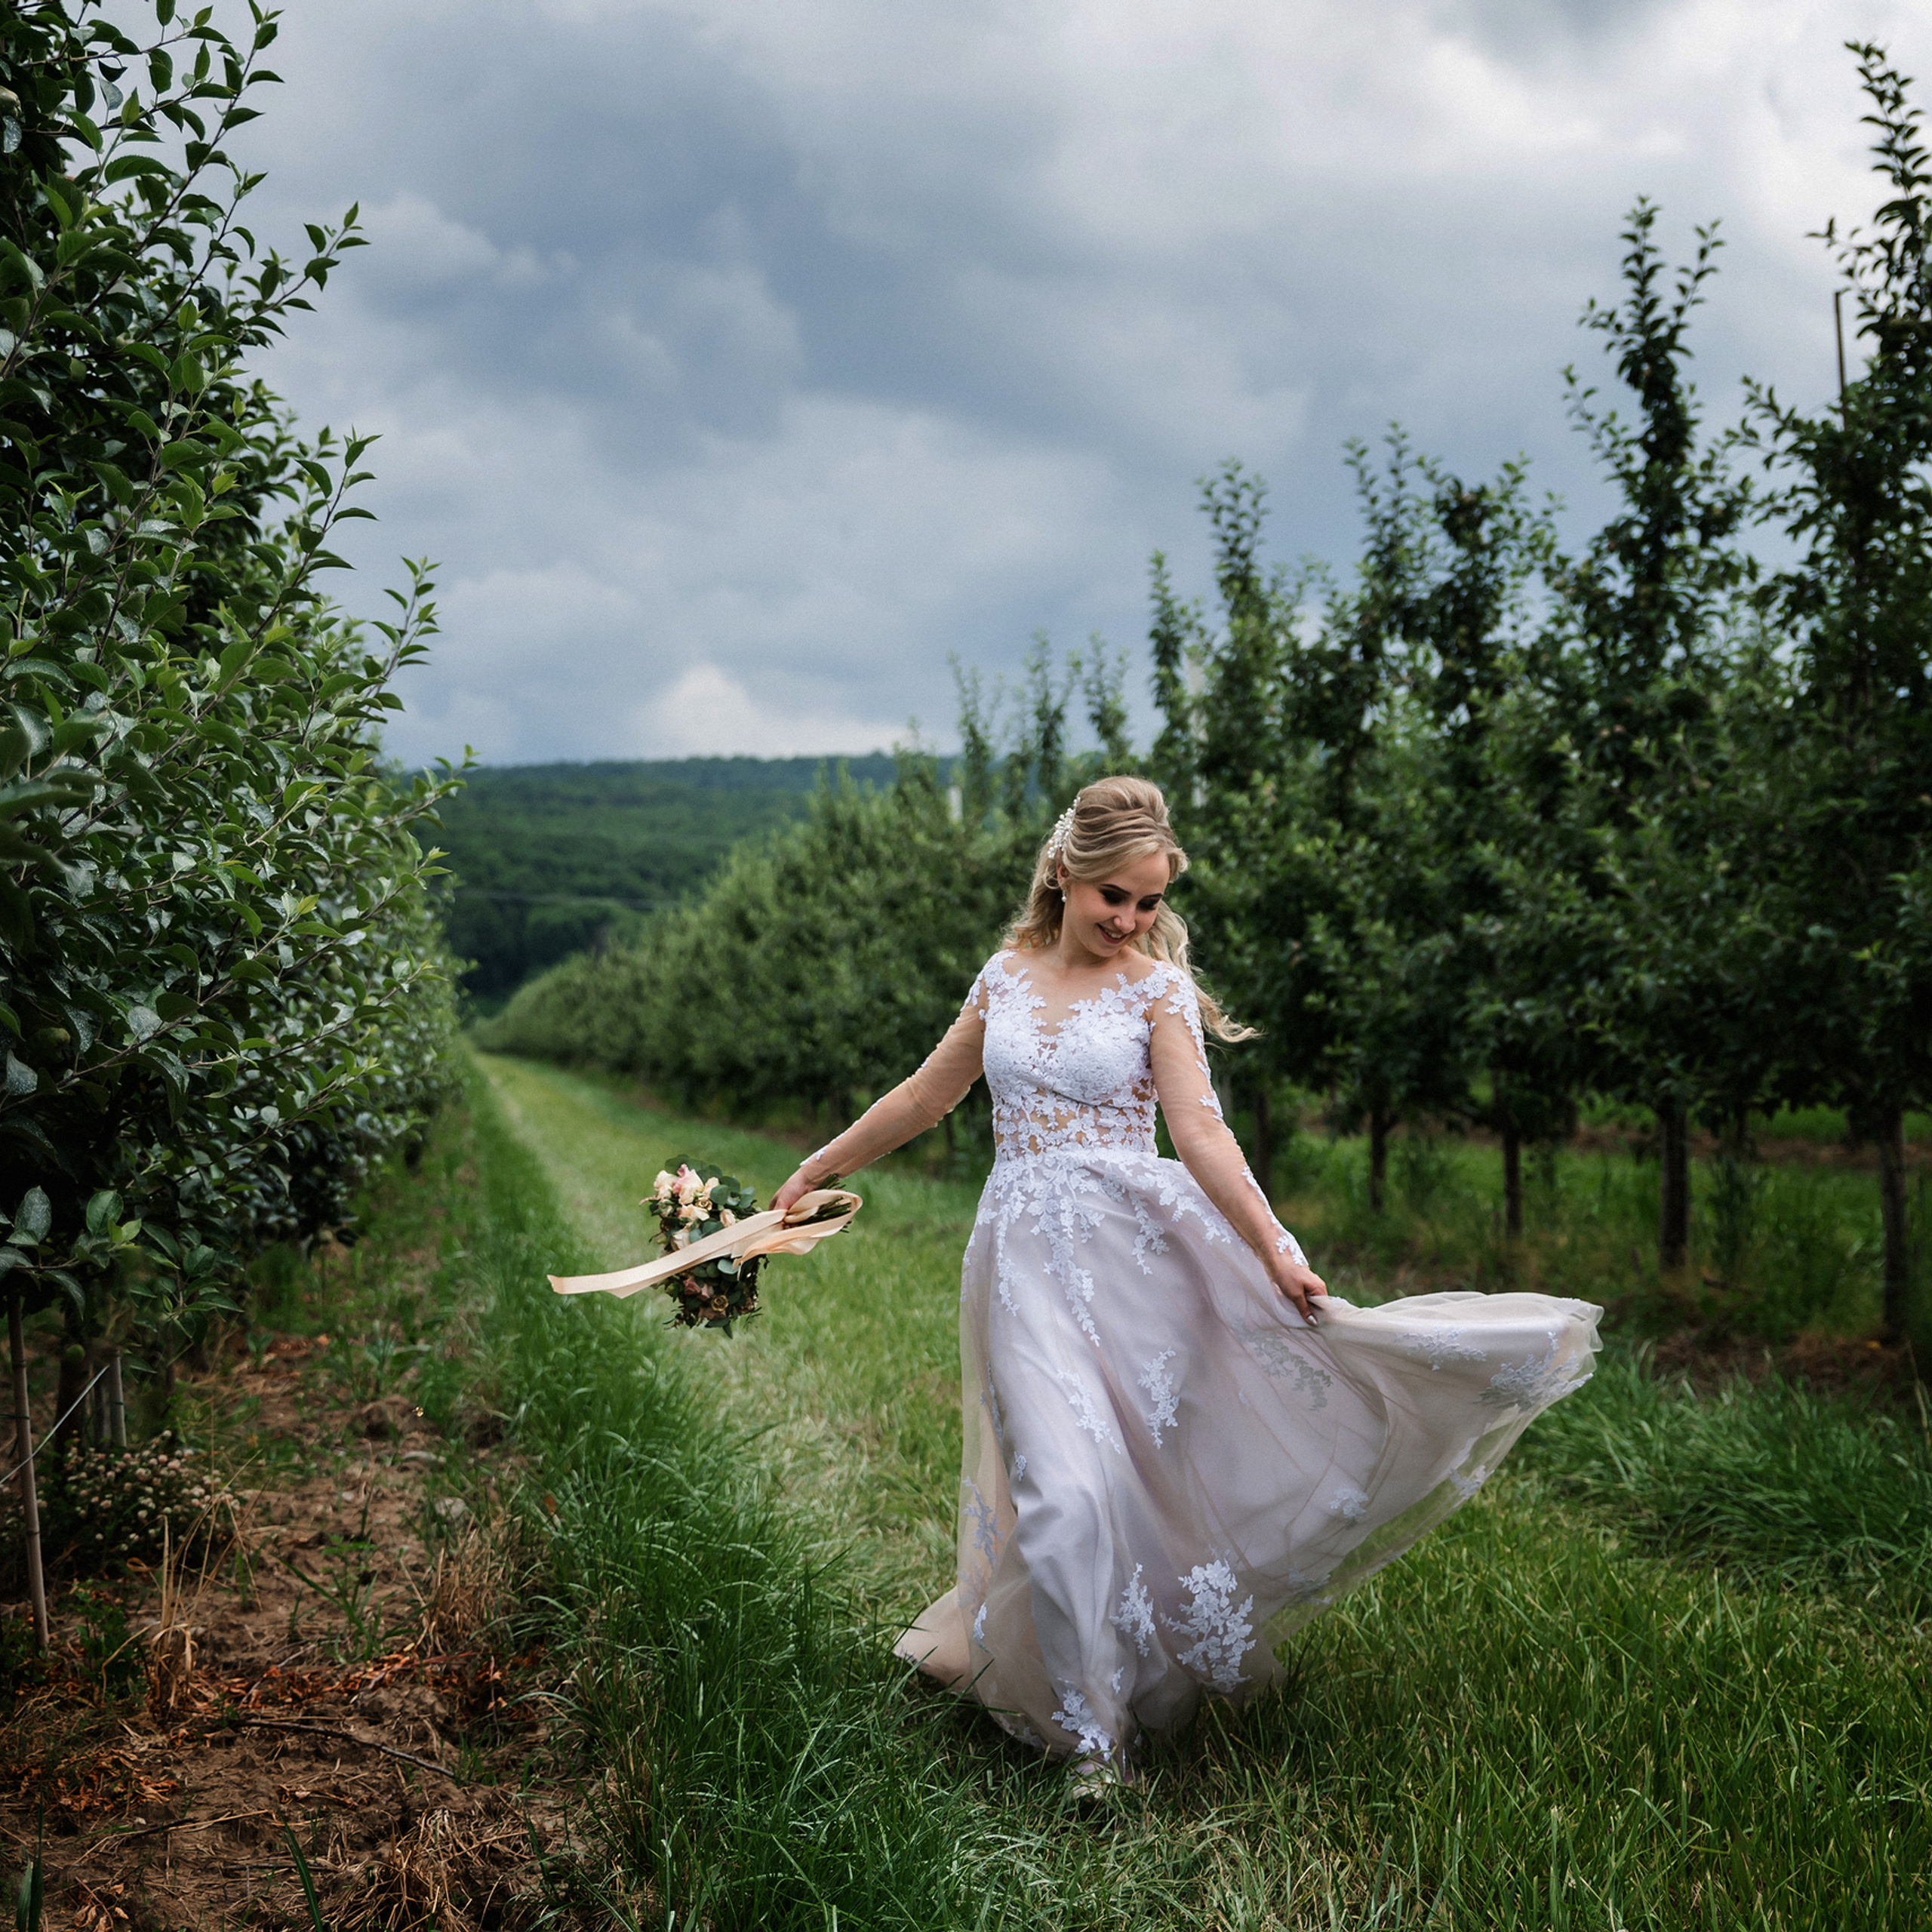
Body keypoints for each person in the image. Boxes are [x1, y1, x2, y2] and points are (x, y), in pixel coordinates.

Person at [772, 776, 1600, 1787]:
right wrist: (820, 1167)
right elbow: (924, 1095)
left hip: (1138, 1264)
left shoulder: (1155, 993)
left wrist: (1274, 1246)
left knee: (1142, 1485)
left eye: (1149, 900)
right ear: (1064, 875)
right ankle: (1090, 1745)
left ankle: (1109, 1700)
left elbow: (1200, 1130)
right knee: (1062, 1495)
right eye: (1112, 895)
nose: (1129, 919)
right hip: (1022, 1266)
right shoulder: (1004, 978)